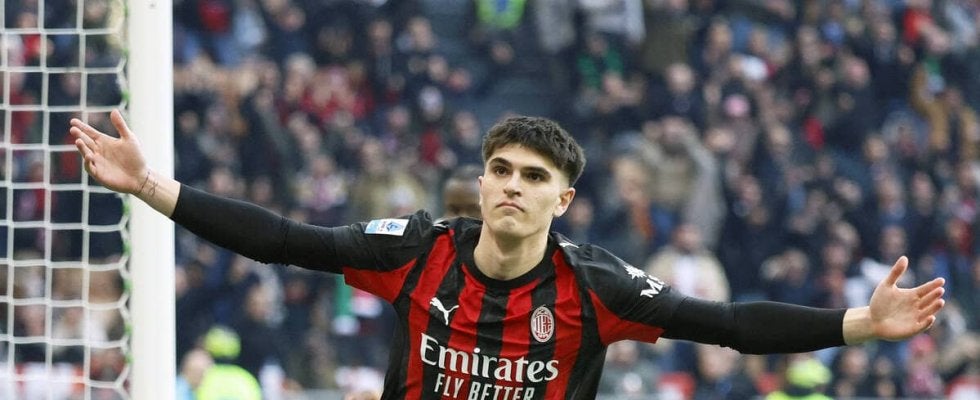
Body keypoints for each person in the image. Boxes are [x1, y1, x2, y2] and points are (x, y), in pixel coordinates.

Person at [71, 110, 946, 400]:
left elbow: (725, 325)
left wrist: (857, 325)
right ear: (483, 181)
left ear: (563, 200)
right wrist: (152, 186)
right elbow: (285, 241)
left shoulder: (596, 285)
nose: (511, 187)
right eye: (500, 170)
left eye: (533, 177)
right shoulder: (419, 250)